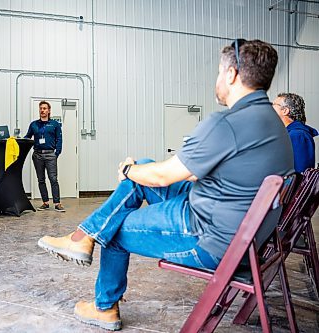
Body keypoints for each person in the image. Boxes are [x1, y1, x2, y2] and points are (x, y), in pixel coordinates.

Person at [37, 39, 294, 331]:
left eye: (220, 72)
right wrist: (140, 169)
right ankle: (83, 235)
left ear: (233, 74)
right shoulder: (273, 123)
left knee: (117, 226)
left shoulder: (228, 123)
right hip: (238, 231)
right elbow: (210, 172)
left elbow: (163, 177)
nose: (218, 79)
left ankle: (104, 306)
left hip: (208, 236)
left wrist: (128, 169)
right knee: (145, 165)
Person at [25, 100, 65, 212]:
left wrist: (56, 153)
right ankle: (45, 202)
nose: (42, 110)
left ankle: (57, 203)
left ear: (49, 111)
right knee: (41, 180)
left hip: (50, 154)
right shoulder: (34, 124)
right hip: (37, 155)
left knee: (53, 179)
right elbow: (27, 137)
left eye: (44, 108)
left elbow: (59, 139)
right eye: (41, 108)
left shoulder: (55, 124)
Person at [272, 93, 318, 172]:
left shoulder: (298, 135)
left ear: (285, 111)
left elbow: (299, 174)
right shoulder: (288, 134)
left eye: (273, 105)